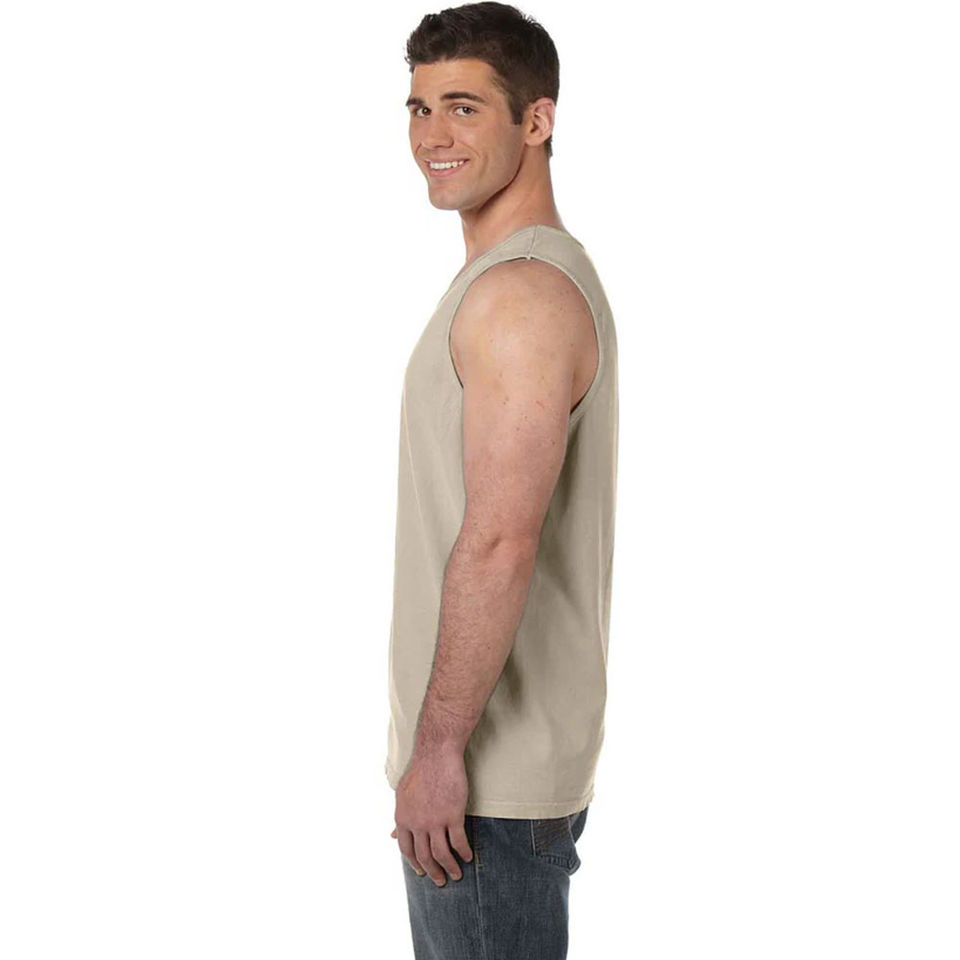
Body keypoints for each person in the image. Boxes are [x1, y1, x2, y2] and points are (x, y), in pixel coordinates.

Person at [384, 4, 619, 957]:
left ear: (537, 120)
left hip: (487, 789)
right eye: (419, 107)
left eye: (464, 107)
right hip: (489, 783)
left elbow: (498, 540)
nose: (432, 137)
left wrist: (439, 751)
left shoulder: (520, 296)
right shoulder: (506, 283)